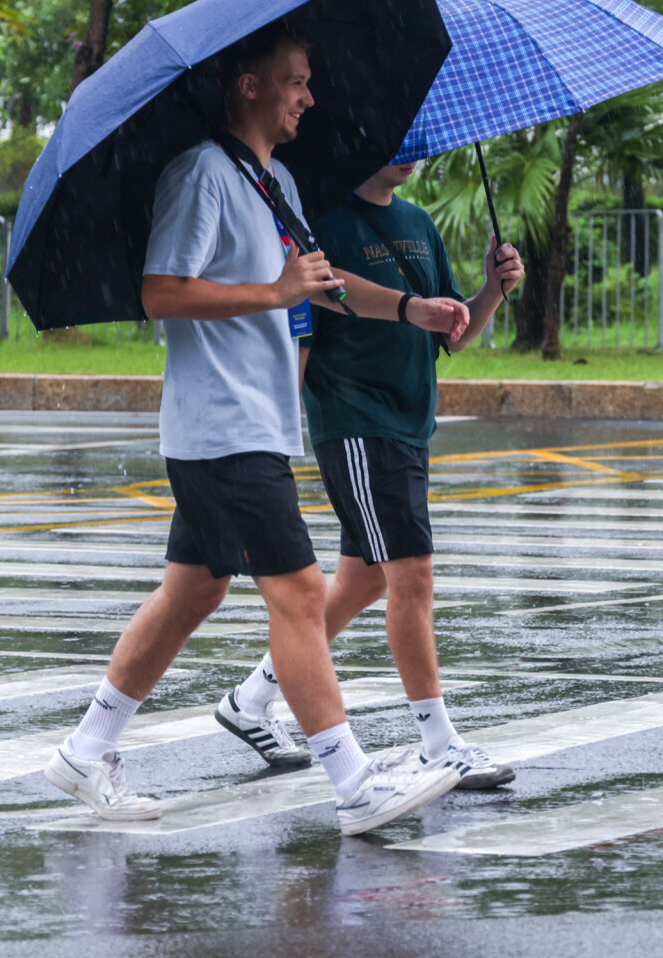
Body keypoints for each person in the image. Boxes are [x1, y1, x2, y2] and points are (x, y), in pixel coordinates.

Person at [42, 22, 481, 837]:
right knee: (303, 595)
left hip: (251, 421)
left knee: (192, 591)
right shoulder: (203, 174)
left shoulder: (272, 179)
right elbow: (161, 292)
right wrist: (273, 292)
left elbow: (319, 280)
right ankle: (353, 785)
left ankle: (86, 747)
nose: (308, 97)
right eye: (296, 81)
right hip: (222, 425)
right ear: (249, 85)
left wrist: (409, 307)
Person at [212, 159, 524, 790]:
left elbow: (453, 333)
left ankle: (251, 698)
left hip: (410, 423)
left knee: (363, 581)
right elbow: (331, 289)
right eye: (395, 138)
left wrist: (490, 290)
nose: (409, 151)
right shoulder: (321, 219)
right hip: (357, 420)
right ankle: (438, 741)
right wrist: (411, 308)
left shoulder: (417, 221)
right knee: (413, 575)